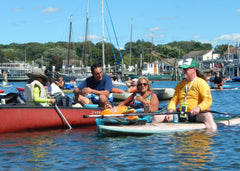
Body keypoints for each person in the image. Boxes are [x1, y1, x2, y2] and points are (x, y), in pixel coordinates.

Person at [152, 58, 217, 131]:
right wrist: (169, 112)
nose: (183, 71)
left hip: (197, 114)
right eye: (183, 69)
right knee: (157, 117)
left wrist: (198, 108)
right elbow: (174, 101)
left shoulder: (202, 83)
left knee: (208, 116)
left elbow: (208, 100)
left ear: (194, 69)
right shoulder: (180, 85)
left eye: (186, 69)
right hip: (182, 114)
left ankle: (212, 134)